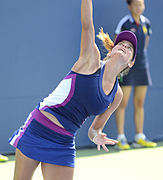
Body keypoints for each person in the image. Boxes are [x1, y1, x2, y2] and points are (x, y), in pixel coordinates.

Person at [8, 0, 137, 179]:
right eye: (121, 43)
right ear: (111, 50)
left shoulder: (117, 95)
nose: (124, 45)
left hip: (64, 141)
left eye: (130, 47)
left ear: (131, 62)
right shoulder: (91, 59)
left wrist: (96, 136)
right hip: (39, 128)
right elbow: (87, 25)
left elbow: (95, 129)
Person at [114, 0, 157, 150]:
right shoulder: (124, 23)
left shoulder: (147, 23)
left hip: (142, 66)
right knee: (122, 102)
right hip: (127, 67)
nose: (139, 7)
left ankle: (139, 137)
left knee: (140, 102)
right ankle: (121, 137)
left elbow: (145, 44)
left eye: (142, 4)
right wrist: (123, 63)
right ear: (129, 6)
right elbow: (116, 44)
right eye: (136, 4)